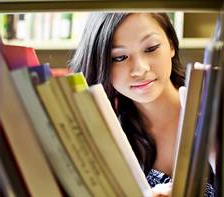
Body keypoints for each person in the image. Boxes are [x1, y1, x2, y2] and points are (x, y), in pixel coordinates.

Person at [69, 13, 215, 196]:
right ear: (101, 64)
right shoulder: (106, 141)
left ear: (171, 44)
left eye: (151, 48)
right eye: (120, 57)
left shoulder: (215, 108)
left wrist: (216, 152)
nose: (140, 69)